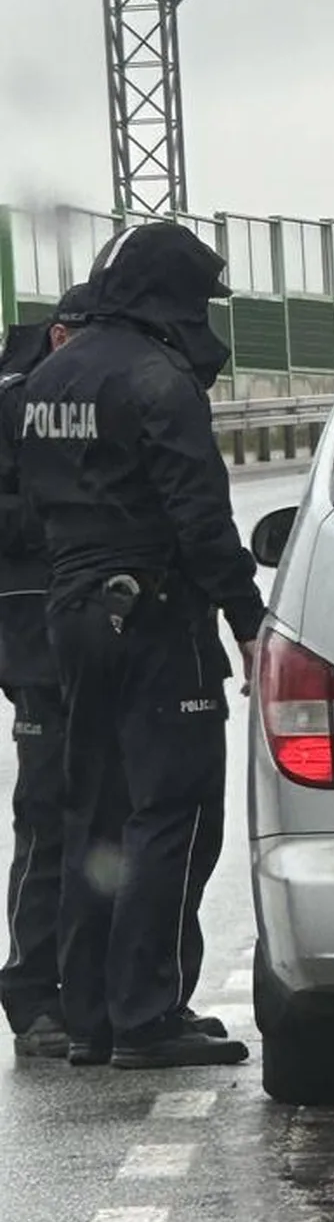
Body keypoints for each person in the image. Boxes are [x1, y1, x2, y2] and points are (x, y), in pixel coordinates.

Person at [0, 224, 264, 1069]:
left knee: (92, 809)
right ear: (171, 293)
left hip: (71, 613)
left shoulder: (48, 375)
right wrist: (246, 619)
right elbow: (200, 519)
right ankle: (149, 1014)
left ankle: (91, 1017)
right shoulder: (160, 380)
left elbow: (37, 507)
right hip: (156, 615)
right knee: (173, 813)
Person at [0, 319, 68, 1056]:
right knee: (49, 816)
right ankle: (32, 987)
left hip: (73, 638)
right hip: (37, 645)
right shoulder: (17, 402)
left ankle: (79, 983)